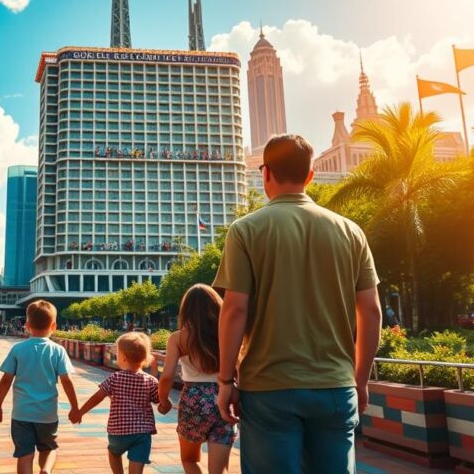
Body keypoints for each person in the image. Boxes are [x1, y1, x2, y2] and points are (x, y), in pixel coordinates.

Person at [213, 134, 382, 474]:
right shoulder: (351, 231)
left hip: (268, 387)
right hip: (335, 385)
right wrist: (360, 380)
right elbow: (371, 311)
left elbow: (234, 310)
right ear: (310, 175)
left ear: (266, 174)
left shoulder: (246, 230)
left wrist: (225, 382)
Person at [0, 300, 79, 474]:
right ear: (53, 325)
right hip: (47, 413)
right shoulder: (57, 350)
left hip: (21, 413)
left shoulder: (18, 349)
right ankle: (46, 469)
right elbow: (67, 381)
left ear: (27, 325)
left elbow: (5, 380)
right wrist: (75, 407)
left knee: (25, 455)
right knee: (48, 449)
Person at [157, 285, 235, 474]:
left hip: (194, 399)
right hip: (224, 396)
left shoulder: (178, 339)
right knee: (219, 470)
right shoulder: (227, 335)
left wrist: (163, 400)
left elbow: (166, 376)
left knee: (189, 459)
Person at [73, 332, 159, 474]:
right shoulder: (150, 381)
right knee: (137, 465)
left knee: (113, 453)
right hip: (142, 433)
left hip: (118, 432)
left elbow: (97, 397)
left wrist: (80, 411)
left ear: (123, 357)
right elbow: (159, 401)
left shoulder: (115, 377)